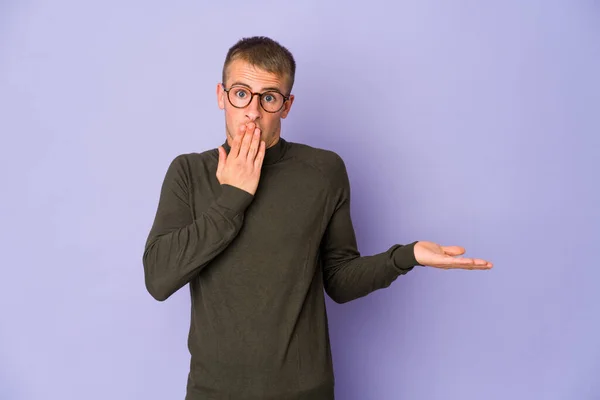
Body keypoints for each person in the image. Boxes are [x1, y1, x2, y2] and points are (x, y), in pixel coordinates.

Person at [142, 36, 493, 400]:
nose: (253, 111)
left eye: (269, 97)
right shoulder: (189, 172)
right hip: (213, 392)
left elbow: (339, 280)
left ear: (286, 105)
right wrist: (234, 197)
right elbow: (159, 278)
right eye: (241, 93)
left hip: (304, 392)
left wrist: (407, 256)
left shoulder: (323, 171)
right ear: (221, 95)